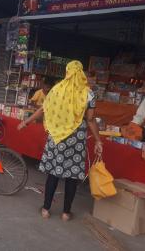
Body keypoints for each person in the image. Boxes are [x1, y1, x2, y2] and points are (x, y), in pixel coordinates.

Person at [18, 61, 102, 221]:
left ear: (67, 72)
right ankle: (65, 213)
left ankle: (46, 209)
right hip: (76, 140)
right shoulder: (89, 94)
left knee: (53, 174)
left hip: (57, 138)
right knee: (72, 176)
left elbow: (43, 109)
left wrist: (25, 122)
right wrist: (98, 140)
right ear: (81, 73)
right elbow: (91, 119)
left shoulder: (56, 90)